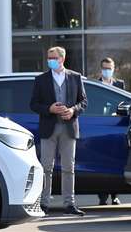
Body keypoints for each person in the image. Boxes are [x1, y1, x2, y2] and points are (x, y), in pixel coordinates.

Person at [29, 46, 88, 216]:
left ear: (62, 59)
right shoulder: (41, 79)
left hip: (69, 127)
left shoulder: (75, 77)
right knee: (46, 167)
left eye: (53, 58)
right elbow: (33, 104)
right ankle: (44, 203)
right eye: (49, 58)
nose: (50, 61)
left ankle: (69, 204)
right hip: (49, 127)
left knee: (69, 167)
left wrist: (73, 110)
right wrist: (49, 108)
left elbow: (84, 102)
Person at [97, 57, 124, 206]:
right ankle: (102, 197)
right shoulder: (96, 84)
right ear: (101, 69)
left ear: (114, 69)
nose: (107, 71)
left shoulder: (120, 84)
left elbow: (124, 102)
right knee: (101, 161)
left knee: (115, 160)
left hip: (116, 126)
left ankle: (115, 196)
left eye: (110, 68)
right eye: (105, 68)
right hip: (101, 126)